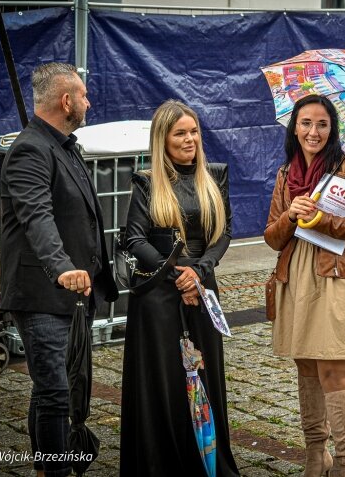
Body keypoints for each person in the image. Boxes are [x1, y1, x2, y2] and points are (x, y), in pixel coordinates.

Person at [0, 62, 118, 477]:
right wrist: (62, 267)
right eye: (84, 94)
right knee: (55, 391)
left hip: (72, 293)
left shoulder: (64, 145)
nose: (89, 101)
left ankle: (44, 468)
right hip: (42, 292)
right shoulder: (30, 149)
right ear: (66, 101)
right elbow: (37, 217)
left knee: (52, 391)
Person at [264, 94, 345, 476]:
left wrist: (324, 220)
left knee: (335, 372)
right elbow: (271, 236)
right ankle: (316, 453)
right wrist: (291, 216)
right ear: (294, 127)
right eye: (305, 123)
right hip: (294, 277)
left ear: (332, 129)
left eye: (321, 124)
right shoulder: (287, 174)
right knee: (306, 368)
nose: (313, 131)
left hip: (336, 279)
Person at [120, 99, 240, 476]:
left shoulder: (215, 175)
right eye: (180, 133)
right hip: (158, 295)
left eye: (194, 132)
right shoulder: (146, 181)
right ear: (163, 139)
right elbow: (134, 239)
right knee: (164, 381)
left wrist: (199, 272)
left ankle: (206, 461)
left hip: (203, 290)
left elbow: (224, 234)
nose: (190, 139)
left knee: (204, 375)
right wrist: (177, 274)